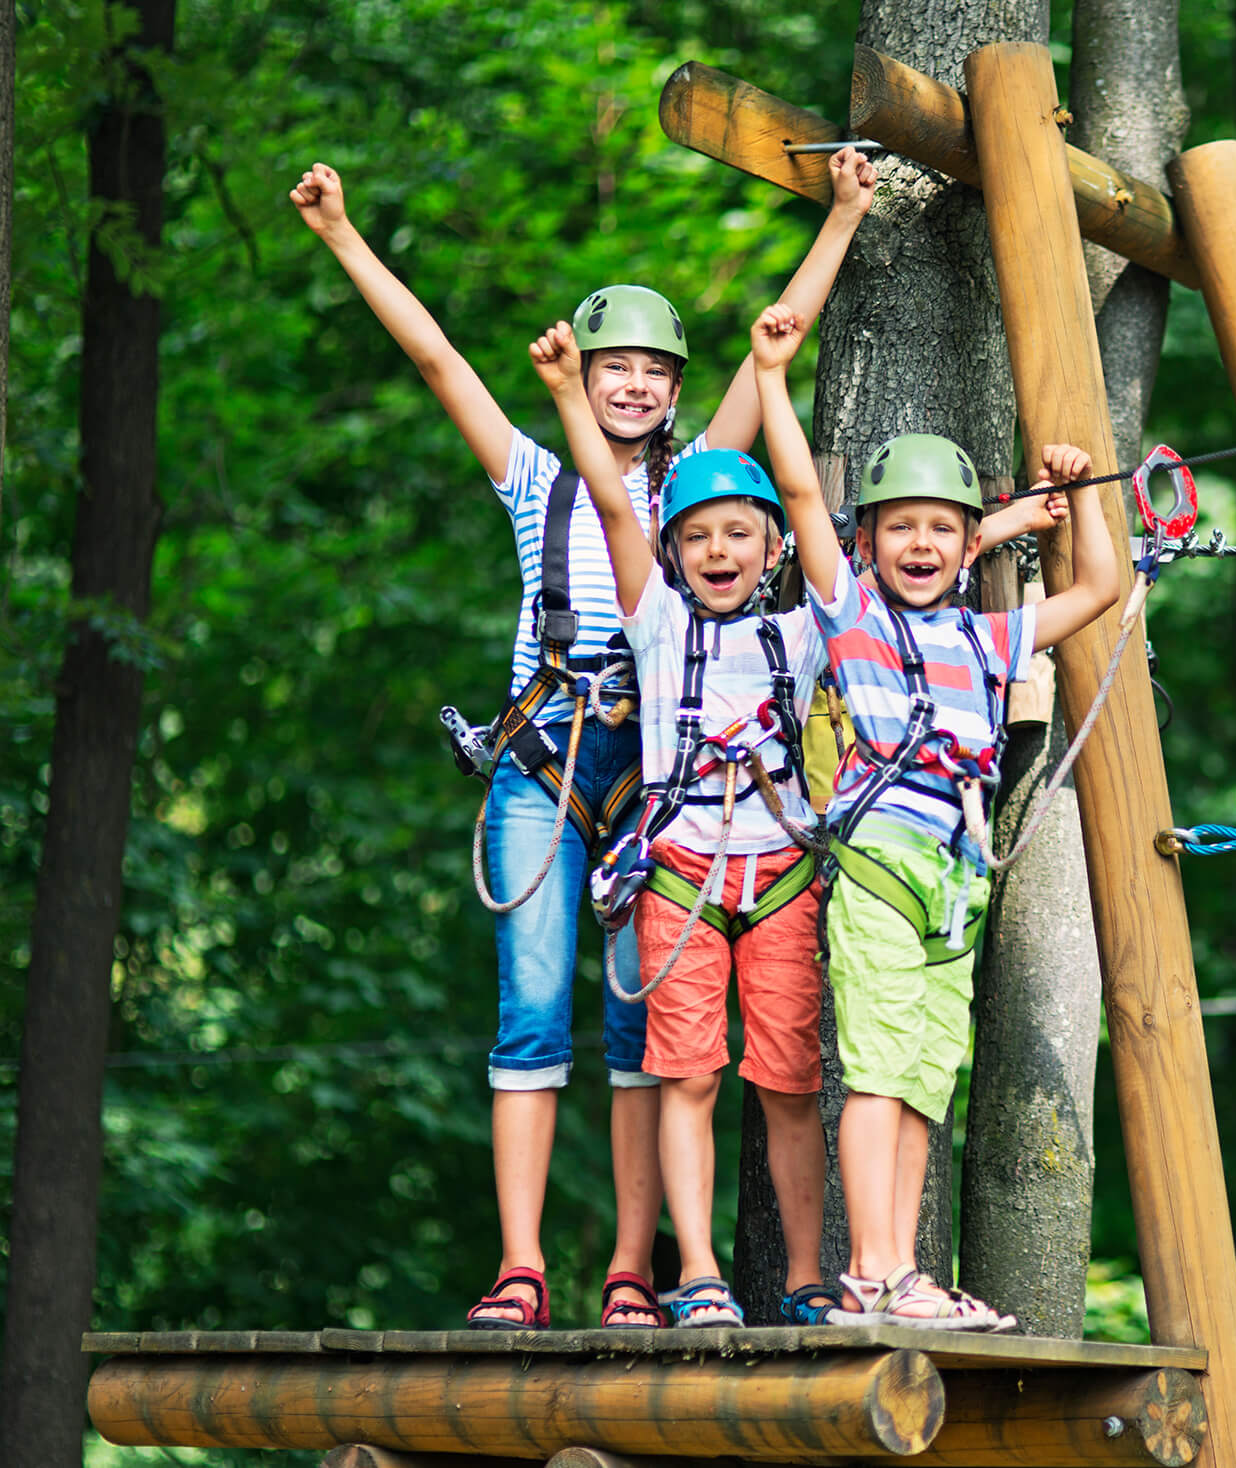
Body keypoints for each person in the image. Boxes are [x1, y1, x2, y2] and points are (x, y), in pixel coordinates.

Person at [288, 148, 876, 1329]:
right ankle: (519, 1264)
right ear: (587, 374)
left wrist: (848, 216)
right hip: (546, 765)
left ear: (672, 388)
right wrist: (343, 234)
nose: (633, 385)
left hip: (663, 780)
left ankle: (629, 1266)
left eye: (654, 370)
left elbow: (780, 343)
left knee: (640, 1035)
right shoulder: (537, 481)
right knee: (530, 1007)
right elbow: (437, 359)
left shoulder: (708, 489)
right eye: (615, 367)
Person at [765, 303, 1119, 1326]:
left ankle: (902, 1272)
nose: (920, 543)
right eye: (900, 527)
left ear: (970, 546)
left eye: (941, 529)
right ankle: (872, 1271)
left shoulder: (993, 638)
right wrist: (774, 372)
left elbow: (1097, 583)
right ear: (866, 541)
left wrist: (1081, 491)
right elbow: (797, 490)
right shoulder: (850, 611)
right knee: (876, 1067)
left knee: (924, 1079)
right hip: (881, 861)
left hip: (955, 879)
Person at [532, 309, 841, 1328]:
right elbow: (621, 515)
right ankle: (699, 1272)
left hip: (781, 874)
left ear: (771, 547)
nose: (719, 550)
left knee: (791, 1082)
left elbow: (820, 512)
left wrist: (774, 369)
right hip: (678, 880)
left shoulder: (803, 634)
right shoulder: (655, 618)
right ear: (673, 552)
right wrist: (574, 395)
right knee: (688, 1075)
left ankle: (802, 1275)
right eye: (699, 536)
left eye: (738, 535)